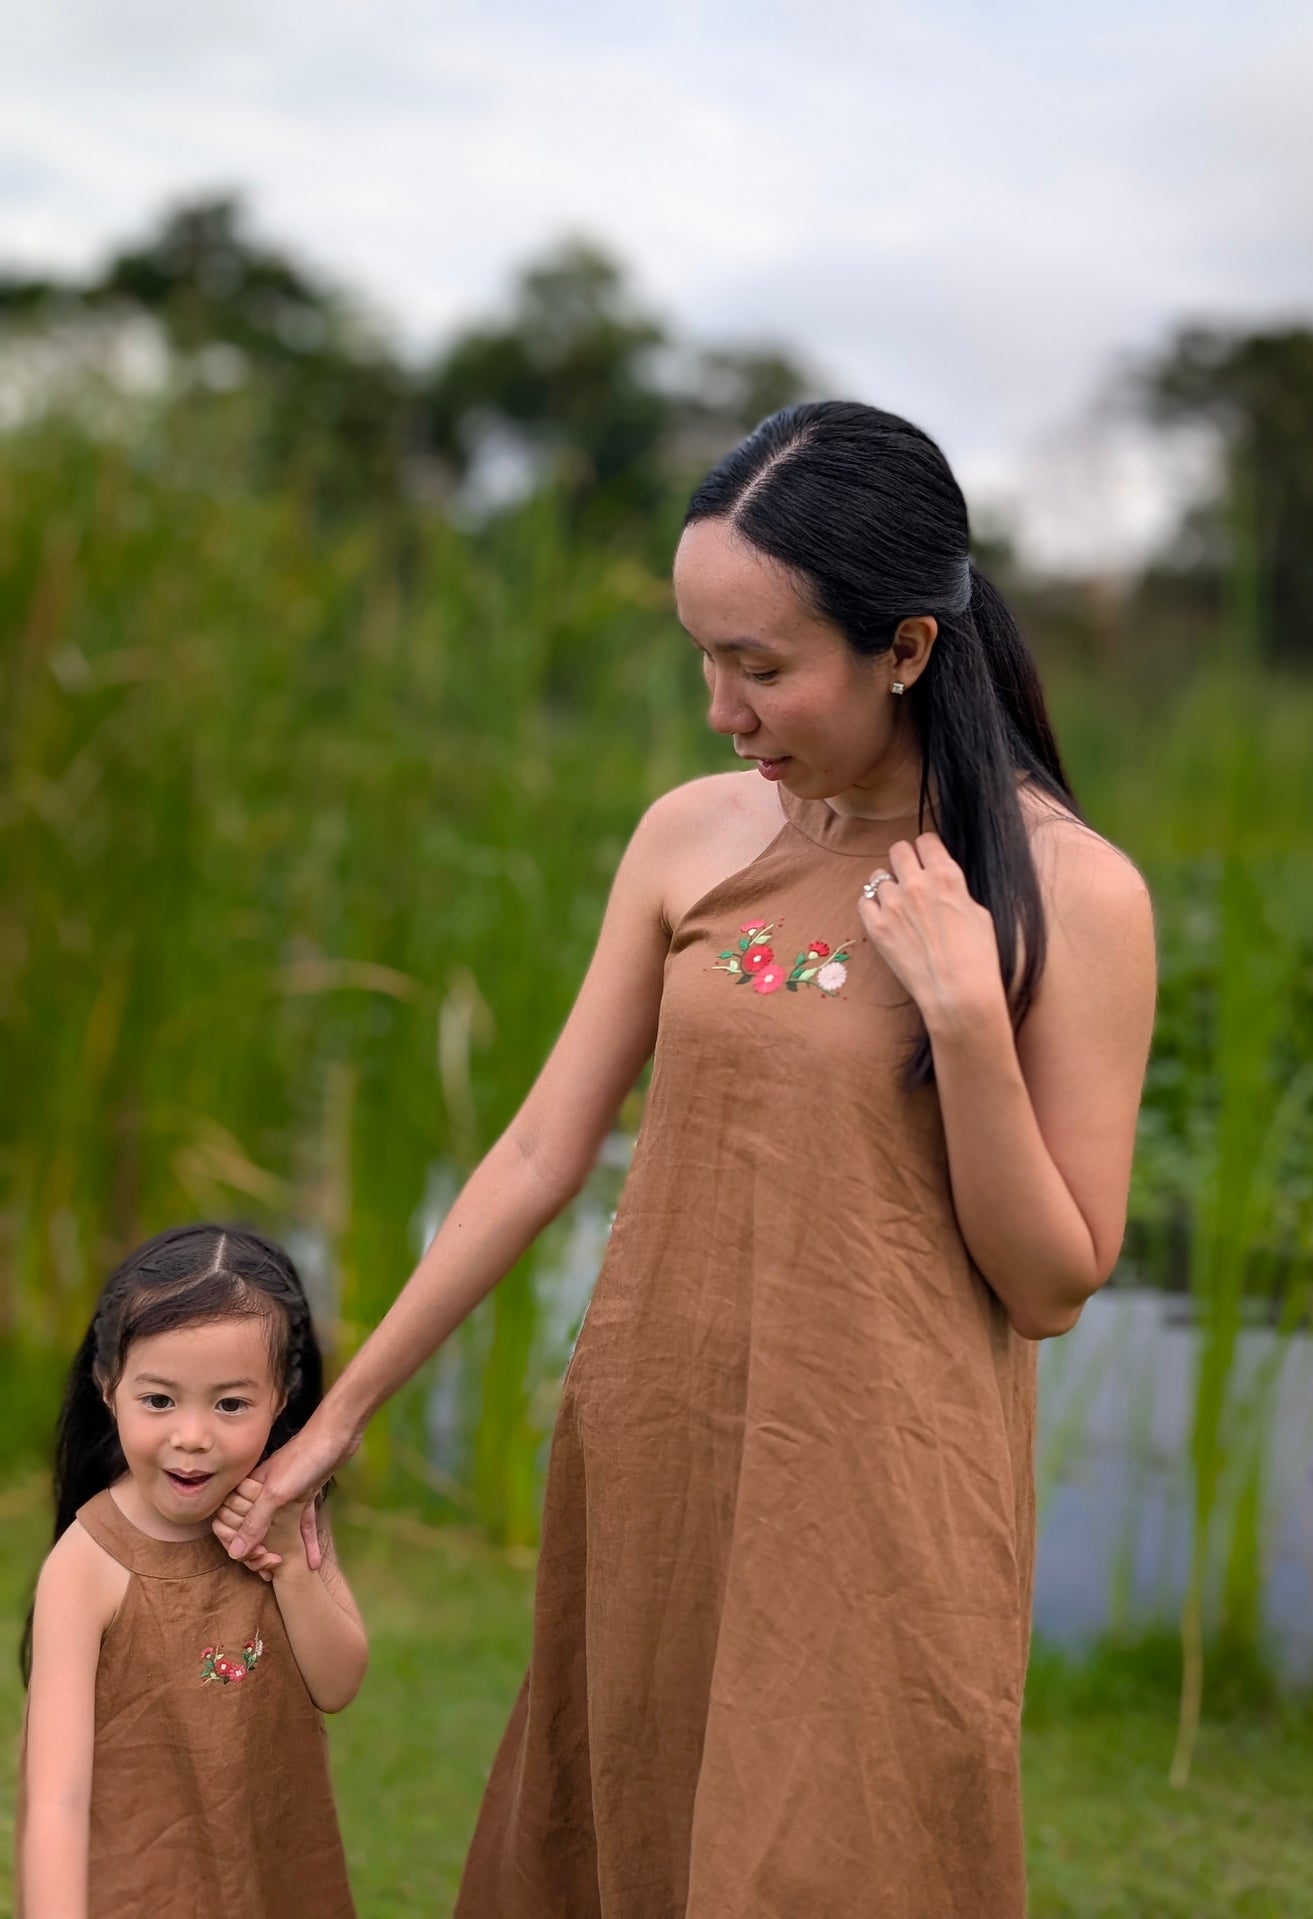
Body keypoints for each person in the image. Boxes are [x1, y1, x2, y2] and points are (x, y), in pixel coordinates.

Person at [225, 400, 1158, 1916]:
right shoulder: (688, 836)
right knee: (625, 1827)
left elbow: (1053, 1280)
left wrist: (970, 1022)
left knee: (827, 1852)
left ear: (906, 648)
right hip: (657, 1435)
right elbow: (537, 1148)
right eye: (702, 655)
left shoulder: (1071, 893)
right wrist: (340, 1415)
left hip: (875, 1479)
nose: (722, 707)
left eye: (764, 665)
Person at [18, 1223, 366, 1919]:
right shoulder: (87, 1566)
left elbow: (337, 1682)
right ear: (107, 1386)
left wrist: (294, 1564)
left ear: (282, 1397)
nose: (192, 1435)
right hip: (145, 1887)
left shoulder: (285, 1512)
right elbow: (55, 1798)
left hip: (275, 1872)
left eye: (230, 1403)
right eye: (159, 1399)